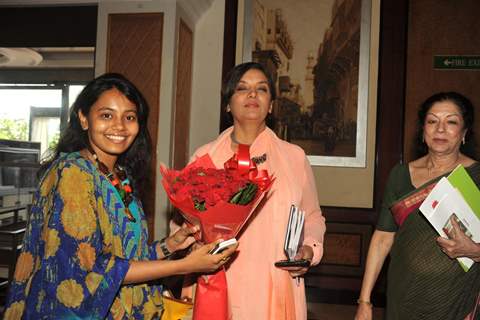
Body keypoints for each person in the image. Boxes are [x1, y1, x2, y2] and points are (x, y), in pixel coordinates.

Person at [3, 73, 237, 319]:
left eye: (130, 117)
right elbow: (90, 268)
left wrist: (169, 246)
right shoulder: (73, 172)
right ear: (84, 119)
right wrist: (184, 266)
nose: (119, 126)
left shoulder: (119, 175)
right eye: (106, 115)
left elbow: (126, 258)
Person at [178, 62, 326, 319]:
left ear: (270, 105)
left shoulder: (294, 158)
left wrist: (309, 250)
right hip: (220, 281)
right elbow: (184, 222)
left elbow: (312, 216)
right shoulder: (205, 157)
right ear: (227, 104)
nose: (252, 95)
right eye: (242, 88)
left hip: (277, 282)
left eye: (262, 89)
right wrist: (194, 244)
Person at [354, 92, 480, 320]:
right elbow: (382, 238)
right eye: (432, 121)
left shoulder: (477, 177)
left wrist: (474, 251)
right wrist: (365, 301)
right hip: (404, 297)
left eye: (451, 122)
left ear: (464, 133)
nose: (440, 129)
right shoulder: (400, 175)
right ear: (423, 131)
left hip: (458, 301)